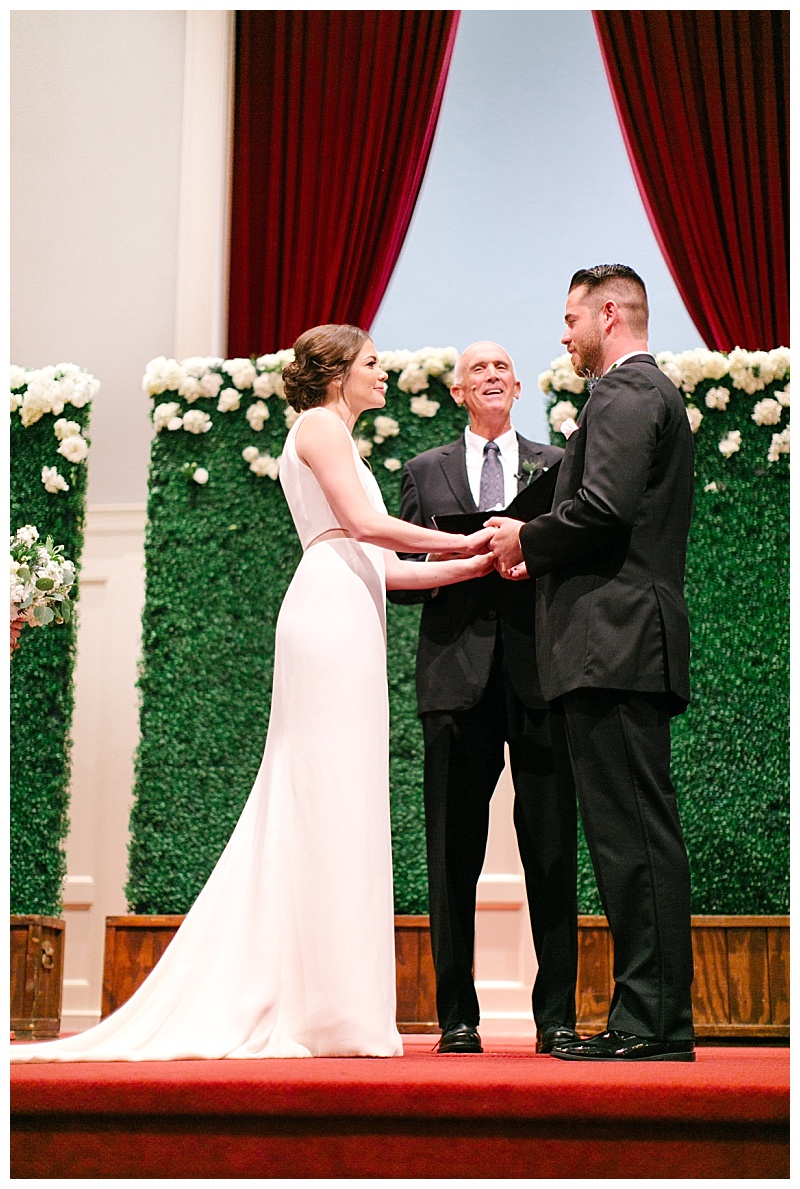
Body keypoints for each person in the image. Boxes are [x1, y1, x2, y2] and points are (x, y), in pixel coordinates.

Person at [11, 324, 494, 1063]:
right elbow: (366, 527)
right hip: (329, 617)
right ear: (336, 373)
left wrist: (475, 566)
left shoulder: (338, 434)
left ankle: (333, 1001)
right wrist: (462, 540)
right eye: (372, 365)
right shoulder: (319, 427)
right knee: (325, 790)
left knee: (343, 796)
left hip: (348, 602)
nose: (383, 376)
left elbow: (385, 569)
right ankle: (327, 1009)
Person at [488, 266, 696, 1062]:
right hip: (624, 640)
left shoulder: (620, 391)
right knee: (634, 833)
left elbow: (604, 506)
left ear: (609, 313)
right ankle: (656, 1017)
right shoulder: (646, 395)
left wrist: (524, 541)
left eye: (571, 317)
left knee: (632, 836)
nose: (565, 334)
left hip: (612, 642)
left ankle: (649, 1022)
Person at [389, 341, 579, 1056]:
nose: (492, 375)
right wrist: (458, 557)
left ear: (519, 386)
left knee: (553, 848)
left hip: (541, 675)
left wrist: (532, 555)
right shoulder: (421, 471)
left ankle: (556, 1017)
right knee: (450, 852)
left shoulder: (558, 465)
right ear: (458, 390)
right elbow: (407, 571)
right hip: (454, 680)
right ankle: (456, 1017)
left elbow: (573, 558)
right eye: (478, 369)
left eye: (502, 367)